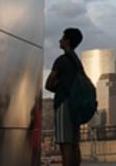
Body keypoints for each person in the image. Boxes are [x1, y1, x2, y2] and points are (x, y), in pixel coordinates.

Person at [45, 27, 85, 166]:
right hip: (76, 106)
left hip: (64, 104)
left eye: (62, 37)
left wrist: (58, 86)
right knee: (74, 144)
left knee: (65, 145)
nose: (59, 40)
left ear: (67, 41)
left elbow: (48, 84)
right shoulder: (78, 62)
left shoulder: (61, 60)